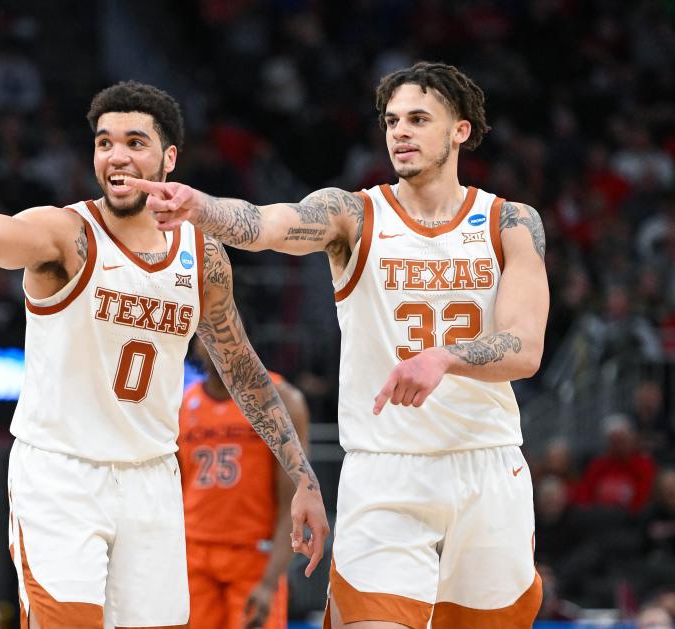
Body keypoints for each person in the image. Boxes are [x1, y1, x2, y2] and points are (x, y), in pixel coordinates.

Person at [0, 81, 328, 629]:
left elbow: (242, 369)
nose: (116, 156)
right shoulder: (67, 234)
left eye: (135, 142)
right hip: (61, 475)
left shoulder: (202, 255)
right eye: (104, 142)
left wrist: (303, 476)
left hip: (153, 479)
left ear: (169, 158)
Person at [129, 61, 549, 628]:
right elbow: (269, 223)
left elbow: (524, 349)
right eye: (392, 120)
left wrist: (445, 357)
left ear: (460, 130)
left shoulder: (511, 223)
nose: (400, 131)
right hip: (385, 471)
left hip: (487, 467)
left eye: (418, 119)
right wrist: (202, 208)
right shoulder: (353, 214)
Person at [178, 339, 310, 629]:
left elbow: (295, 499)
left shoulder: (280, 399)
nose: (211, 343)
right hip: (193, 556)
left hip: (254, 557)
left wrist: (270, 582)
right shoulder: (183, 405)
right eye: (203, 335)